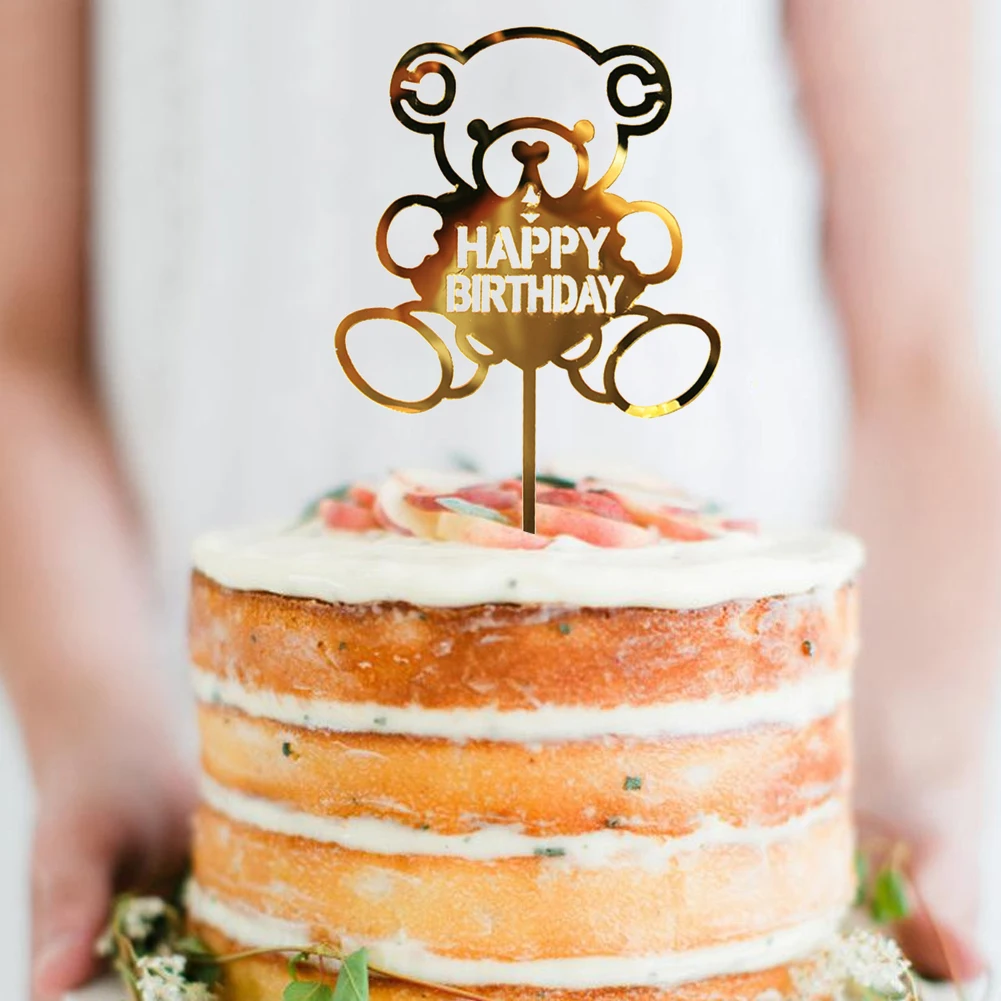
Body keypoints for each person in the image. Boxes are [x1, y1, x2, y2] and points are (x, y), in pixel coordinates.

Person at [1, 2, 997, 999]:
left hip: (749, 689)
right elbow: (23, 342)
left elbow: (920, 358)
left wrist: (900, 770)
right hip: (187, 734)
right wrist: (97, 732)